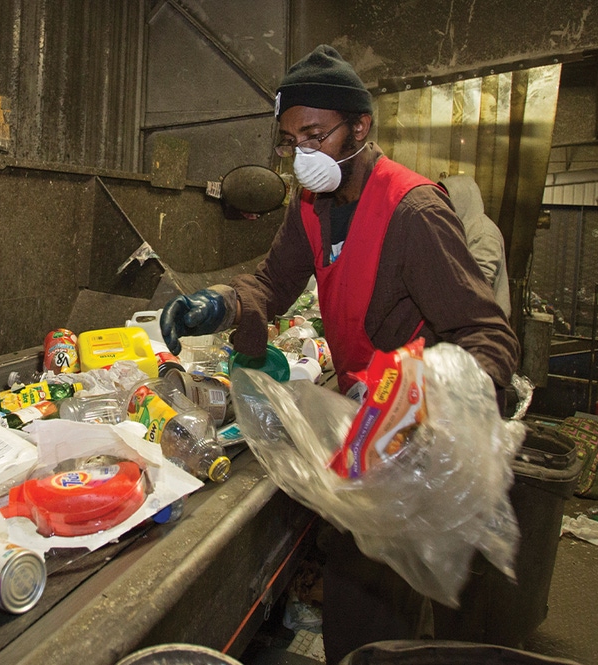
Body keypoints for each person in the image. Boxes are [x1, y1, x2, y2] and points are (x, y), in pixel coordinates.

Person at [158, 45, 520, 662]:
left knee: (367, 610)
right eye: (290, 140)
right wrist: (223, 302)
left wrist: (431, 397)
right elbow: (274, 281)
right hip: (366, 420)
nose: (303, 155)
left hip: (410, 435)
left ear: (361, 127)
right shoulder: (312, 207)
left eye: (317, 136)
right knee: (371, 586)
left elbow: (488, 334)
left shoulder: (414, 211)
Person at [438, 173, 512, 316]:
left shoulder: (482, 232)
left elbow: (479, 285)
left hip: (485, 324)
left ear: (461, 200)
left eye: (447, 199)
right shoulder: (461, 228)